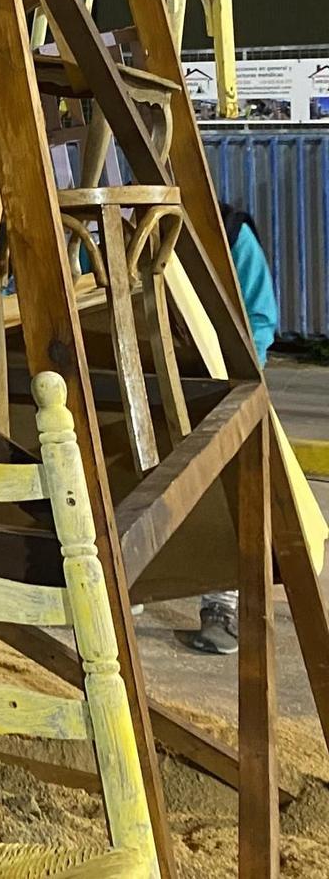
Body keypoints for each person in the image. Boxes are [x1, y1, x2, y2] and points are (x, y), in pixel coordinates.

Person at [188, 203, 281, 656]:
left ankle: (222, 605)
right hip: (155, 374)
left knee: (227, 492)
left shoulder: (230, 231)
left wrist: (242, 383)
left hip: (223, 377)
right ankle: (126, 590)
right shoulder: (119, 225)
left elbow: (260, 319)